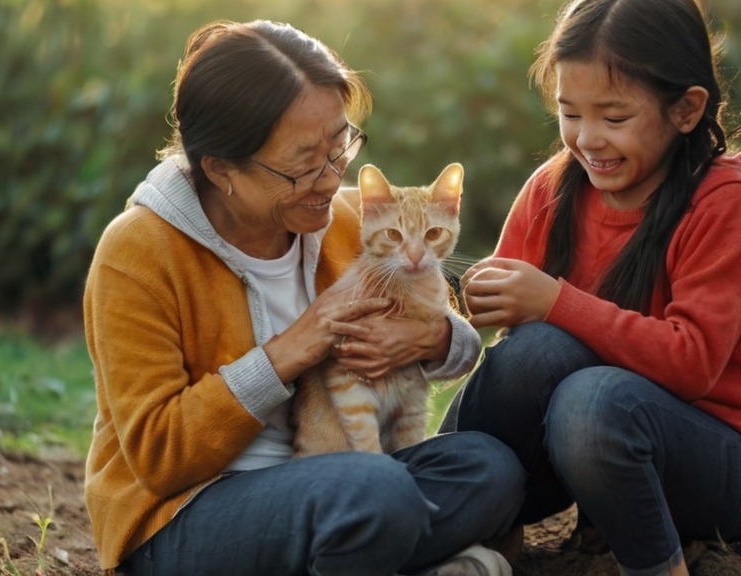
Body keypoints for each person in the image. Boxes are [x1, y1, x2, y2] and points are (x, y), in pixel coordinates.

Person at [82, 19, 524, 576]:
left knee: (491, 468)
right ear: (221, 169)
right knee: (374, 493)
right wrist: (296, 346)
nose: (331, 175)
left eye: (339, 145)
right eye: (303, 162)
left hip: (338, 477)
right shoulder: (139, 250)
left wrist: (434, 336)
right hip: (187, 511)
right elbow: (160, 456)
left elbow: (445, 334)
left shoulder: (338, 218)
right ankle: (397, 548)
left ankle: (369, 550)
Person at [439, 0, 741, 575]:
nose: (588, 140)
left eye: (613, 118)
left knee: (591, 402)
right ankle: (456, 521)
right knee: (534, 352)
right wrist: (454, 306)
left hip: (726, 460)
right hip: (587, 455)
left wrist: (555, 301)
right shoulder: (555, 186)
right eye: (569, 113)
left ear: (686, 109)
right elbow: (501, 328)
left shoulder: (726, 200)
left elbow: (692, 363)